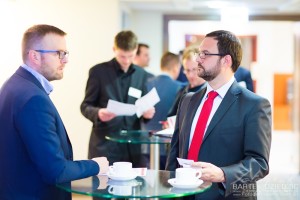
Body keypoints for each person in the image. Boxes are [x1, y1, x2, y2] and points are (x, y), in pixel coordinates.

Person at [0, 24, 109, 200]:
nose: (65, 60)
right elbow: (55, 170)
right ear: (34, 56)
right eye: (58, 53)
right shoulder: (33, 99)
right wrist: (96, 166)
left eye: (65, 53)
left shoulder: (15, 84)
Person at [166, 30, 272, 199]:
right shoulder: (187, 100)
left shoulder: (255, 105)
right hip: (184, 194)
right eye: (199, 53)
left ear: (226, 60)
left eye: (205, 54)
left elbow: (259, 163)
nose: (198, 59)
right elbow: (175, 151)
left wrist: (223, 174)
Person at [80, 30, 155, 168]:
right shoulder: (98, 72)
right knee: (102, 188)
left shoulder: (141, 74)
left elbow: (142, 107)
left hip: (132, 147)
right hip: (105, 146)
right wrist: (98, 113)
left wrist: (147, 114)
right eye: (122, 56)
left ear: (136, 50)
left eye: (130, 56)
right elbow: (85, 106)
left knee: (133, 188)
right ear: (114, 49)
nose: (126, 61)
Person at [143, 52, 183, 169]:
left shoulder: (147, 84)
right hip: (169, 146)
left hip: (146, 144)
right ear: (176, 67)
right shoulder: (180, 87)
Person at [168, 46, 206, 117]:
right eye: (187, 70)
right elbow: (171, 115)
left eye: (194, 69)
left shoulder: (210, 93)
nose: (190, 75)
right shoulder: (182, 91)